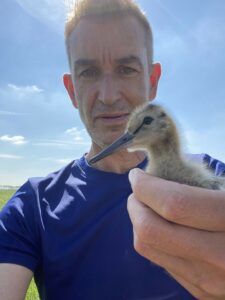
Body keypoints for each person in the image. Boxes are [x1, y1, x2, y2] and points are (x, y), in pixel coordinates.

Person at [0, 0, 225, 299]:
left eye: (127, 69)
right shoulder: (32, 207)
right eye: (89, 73)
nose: (107, 96)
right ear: (71, 90)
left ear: (152, 81)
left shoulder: (212, 176)